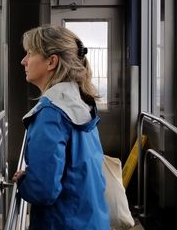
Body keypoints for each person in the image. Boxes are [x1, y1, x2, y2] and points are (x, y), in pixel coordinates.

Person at [13, 25, 109, 229]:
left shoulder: (51, 114)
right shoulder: (82, 103)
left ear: (51, 61)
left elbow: (43, 191)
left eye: (30, 53)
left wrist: (23, 182)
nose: (24, 61)